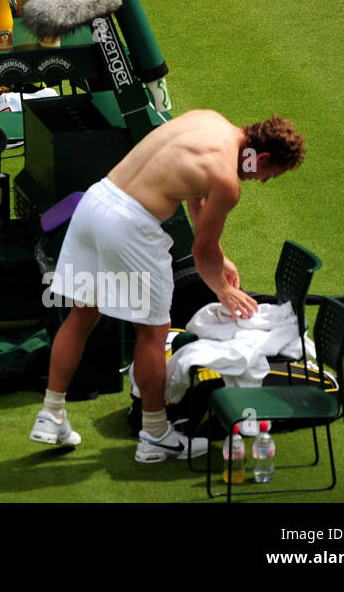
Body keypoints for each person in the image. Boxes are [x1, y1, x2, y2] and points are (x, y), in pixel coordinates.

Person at [30, 111, 305, 462]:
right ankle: (156, 433)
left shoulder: (209, 120)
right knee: (152, 332)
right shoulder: (228, 182)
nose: (263, 181)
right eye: (270, 174)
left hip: (94, 205)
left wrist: (222, 258)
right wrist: (223, 289)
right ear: (261, 158)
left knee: (82, 315)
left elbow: (193, 197)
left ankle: (51, 413)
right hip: (130, 228)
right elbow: (200, 251)